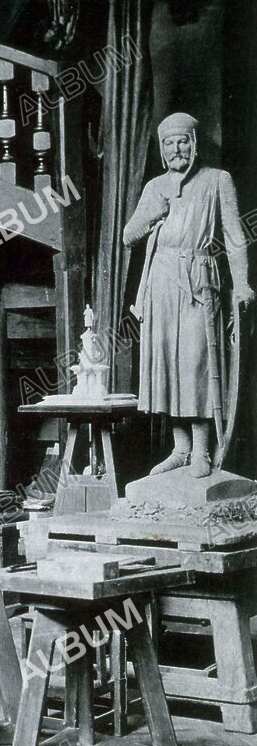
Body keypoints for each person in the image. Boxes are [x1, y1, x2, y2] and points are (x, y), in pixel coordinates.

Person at [124, 112, 254, 477]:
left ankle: (202, 451)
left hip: (199, 279)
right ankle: (179, 449)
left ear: (194, 144)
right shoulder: (154, 187)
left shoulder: (217, 181)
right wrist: (150, 215)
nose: (177, 148)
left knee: (197, 363)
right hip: (160, 282)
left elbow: (235, 238)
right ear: (162, 150)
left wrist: (241, 282)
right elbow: (127, 236)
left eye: (183, 141)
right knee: (166, 364)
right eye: (169, 143)